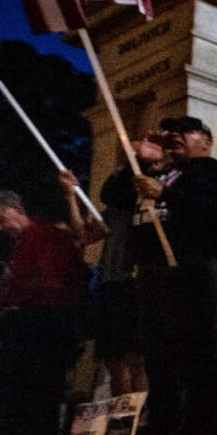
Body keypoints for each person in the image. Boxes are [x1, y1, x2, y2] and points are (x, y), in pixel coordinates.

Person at [132, 115, 217, 435]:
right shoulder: (160, 171)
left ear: (206, 140)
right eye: (171, 131)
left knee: (195, 345)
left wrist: (166, 193)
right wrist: (141, 159)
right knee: (156, 350)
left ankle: (202, 417)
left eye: (186, 130)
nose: (175, 135)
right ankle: (162, 418)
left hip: (195, 267)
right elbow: (112, 194)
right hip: (155, 270)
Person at [0, 188, 87, 435]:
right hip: (30, 325)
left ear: (15, 208)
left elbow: (50, 283)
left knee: (36, 401)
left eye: (0, 220)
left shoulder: (48, 236)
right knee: (19, 401)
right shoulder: (26, 242)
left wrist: (5, 297)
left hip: (43, 326)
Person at [80, 138, 165, 396]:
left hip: (131, 279)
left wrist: (141, 162)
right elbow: (86, 233)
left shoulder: (149, 202)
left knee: (134, 355)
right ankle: (121, 414)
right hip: (110, 281)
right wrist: (72, 196)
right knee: (112, 356)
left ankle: (135, 412)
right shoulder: (116, 206)